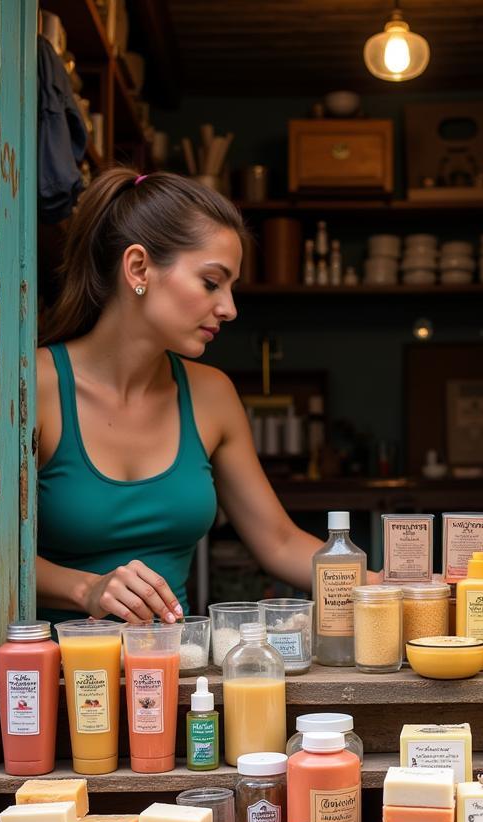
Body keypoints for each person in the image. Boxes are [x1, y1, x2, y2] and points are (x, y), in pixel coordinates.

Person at [35, 168, 323, 625]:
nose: (230, 308)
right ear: (138, 268)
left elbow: (280, 542)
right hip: (55, 679)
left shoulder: (211, 394)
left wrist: (388, 581)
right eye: (212, 282)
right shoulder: (35, 389)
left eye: (231, 288)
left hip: (176, 670)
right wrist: (87, 588)